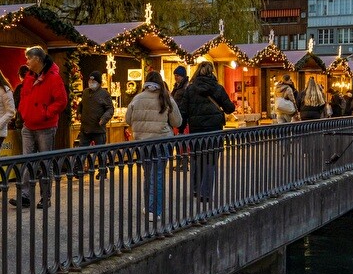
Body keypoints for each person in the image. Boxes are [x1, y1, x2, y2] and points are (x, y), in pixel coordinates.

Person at [11, 46, 68, 209]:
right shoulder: (29, 77)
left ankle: (45, 197)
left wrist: (46, 113)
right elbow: (23, 97)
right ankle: (25, 195)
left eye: (28, 58)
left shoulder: (54, 78)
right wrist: (23, 111)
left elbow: (61, 101)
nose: (26, 62)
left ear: (37, 59)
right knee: (27, 161)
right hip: (28, 125)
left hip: (45, 126)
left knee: (45, 163)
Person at [125, 71, 182, 221]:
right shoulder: (166, 98)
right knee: (157, 176)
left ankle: (148, 207)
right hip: (162, 142)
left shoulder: (137, 98)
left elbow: (128, 120)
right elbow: (177, 122)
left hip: (142, 143)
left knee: (147, 175)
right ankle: (154, 210)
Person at [178, 61, 235, 202]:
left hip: (196, 130)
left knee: (197, 158)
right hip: (214, 130)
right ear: (212, 72)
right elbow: (230, 108)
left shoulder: (190, 89)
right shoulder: (218, 88)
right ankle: (206, 193)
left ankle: (196, 189)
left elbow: (183, 111)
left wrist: (180, 129)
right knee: (210, 161)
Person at [77, 71, 114, 147]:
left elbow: (110, 109)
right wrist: (79, 113)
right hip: (85, 130)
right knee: (81, 153)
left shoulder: (105, 94)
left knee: (100, 153)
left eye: (93, 81)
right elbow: (81, 104)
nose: (91, 82)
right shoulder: (85, 92)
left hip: (98, 130)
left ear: (99, 83)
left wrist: (103, 119)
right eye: (90, 80)